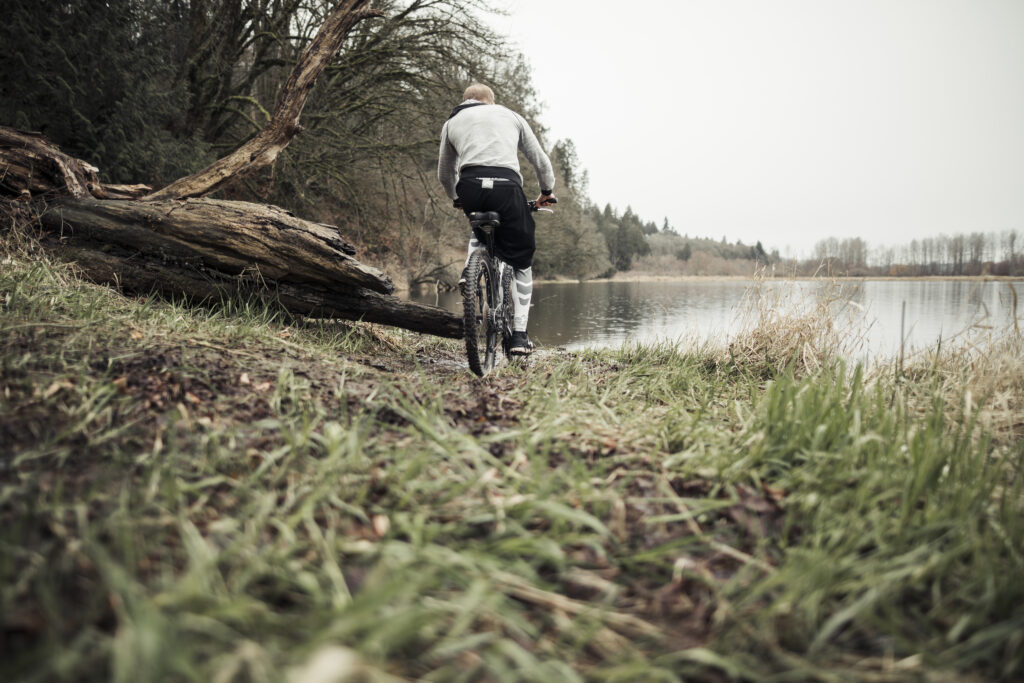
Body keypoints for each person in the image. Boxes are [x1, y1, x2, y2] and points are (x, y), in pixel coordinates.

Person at [437, 83, 557, 355]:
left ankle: (471, 270)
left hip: (469, 186)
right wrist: (546, 192)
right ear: (490, 102)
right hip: (507, 187)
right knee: (522, 261)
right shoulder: (510, 116)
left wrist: (457, 197)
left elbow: (445, 173)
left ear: (465, 100)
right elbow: (540, 161)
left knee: (478, 226)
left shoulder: (452, 122)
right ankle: (518, 336)